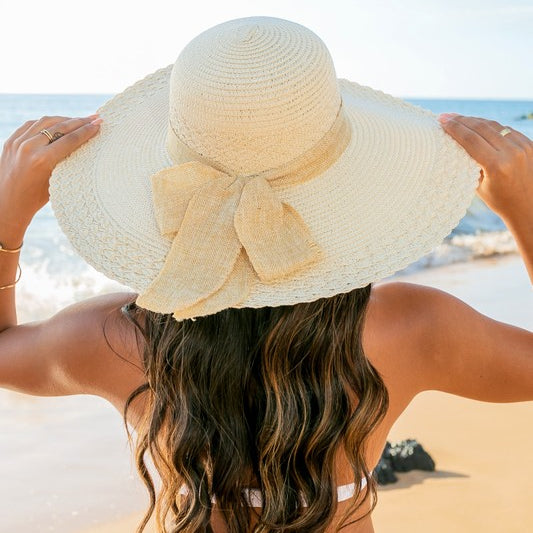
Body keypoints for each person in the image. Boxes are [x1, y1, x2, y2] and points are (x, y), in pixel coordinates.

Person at [0, 16, 532, 533]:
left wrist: (8, 217)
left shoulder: (113, 338)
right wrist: (524, 209)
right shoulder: (416, 327)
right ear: (355, 192)